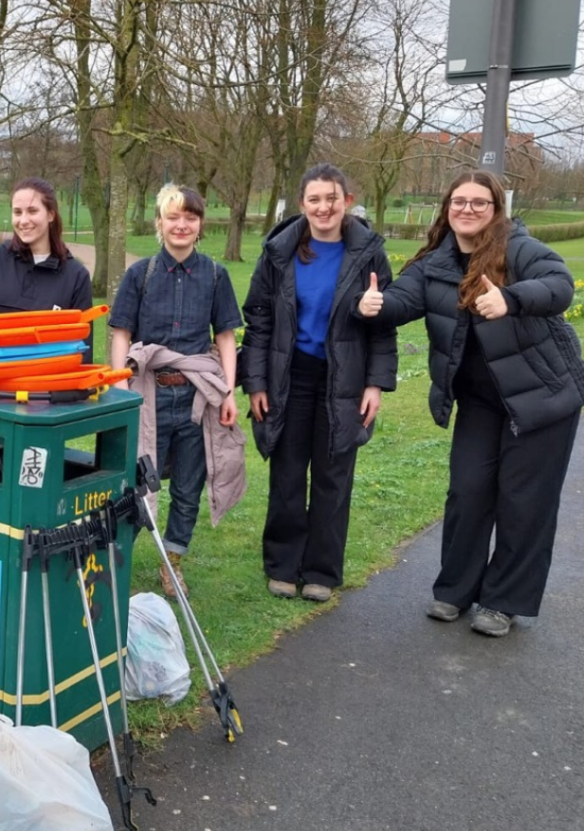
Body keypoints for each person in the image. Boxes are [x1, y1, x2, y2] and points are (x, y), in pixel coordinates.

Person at [358, 170, 584, 637]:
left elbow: (560, 284)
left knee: (524, 501)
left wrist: (512, 300)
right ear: (446, 208)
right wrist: (375, 303)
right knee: (468, 491)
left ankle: (502, 602)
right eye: (459, 201)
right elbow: (402, 300)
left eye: (479, 203)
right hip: (481, 400)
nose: (467, 209)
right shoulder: (436, 262)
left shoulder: (518, 248)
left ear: (495, 209)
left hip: (543, 395)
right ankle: (455, 591)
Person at [241, 164, 397, 603]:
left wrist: (375, 384)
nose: (324, 207)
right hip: (289, 377)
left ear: (346, 200)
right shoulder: (278, 252)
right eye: (315, 199)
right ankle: (283, 566)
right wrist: (255, 382)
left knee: (333, 477)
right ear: (302, 204)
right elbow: (259, 321)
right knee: (288, 474)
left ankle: (321, 571)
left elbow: (383, 328)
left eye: (332, 198)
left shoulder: (368, 254)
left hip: (343, 379)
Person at [109, 183, 244, 599]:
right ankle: (112, 560)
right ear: (159, 223)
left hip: (196, 398)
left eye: (190, 217)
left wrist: (228, 393)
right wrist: (119, 388)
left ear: (200, 225)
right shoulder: (140, 274)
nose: (181, 225)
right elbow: (120, 334)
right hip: (148, 394)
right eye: (173, 217)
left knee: (188, 486)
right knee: (135, 482)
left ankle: (173, 563)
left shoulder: (215, 275)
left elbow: (224, 338)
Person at [0, 177, 95, 358]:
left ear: (51, 214)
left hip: (48, 383)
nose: (23, 220)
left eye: (32, 211)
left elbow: (83, 348)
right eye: (17, 212)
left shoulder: (76, 276)